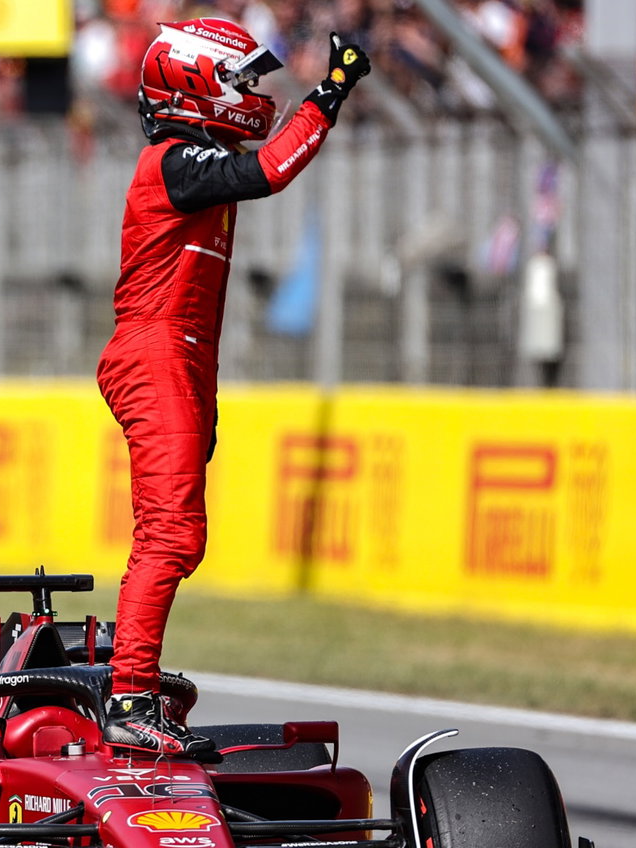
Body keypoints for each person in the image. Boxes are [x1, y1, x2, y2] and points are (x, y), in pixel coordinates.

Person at [96, 19, 370, 756]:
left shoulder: (189, 163)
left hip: (179, 356)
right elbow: (273, 169)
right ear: (198, 84)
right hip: (156, 352)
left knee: (176, 534)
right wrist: (331, 91)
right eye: (243, 81)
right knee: (172, 532)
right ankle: (128, 697)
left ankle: (132, 683)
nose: (254, 95)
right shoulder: (173, 164)